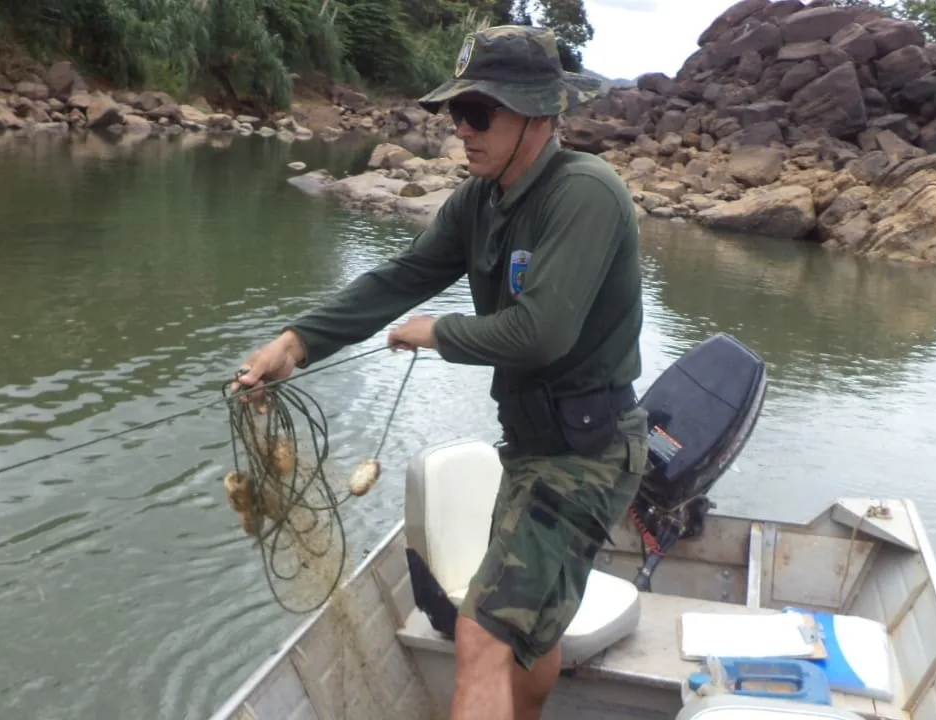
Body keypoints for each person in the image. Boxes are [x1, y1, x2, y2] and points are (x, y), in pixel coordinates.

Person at [233, 24, 649, 720]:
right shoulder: (478, 202)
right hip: (530, 447)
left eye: (480, 113)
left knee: (481, 634)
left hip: (590, 454)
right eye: (456, 112)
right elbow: (402, 277)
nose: (462, 128)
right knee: (526, 627)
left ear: (539, 115)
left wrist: (438, 332)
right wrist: (296, 343)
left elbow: (542, 333)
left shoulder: (584, 193)